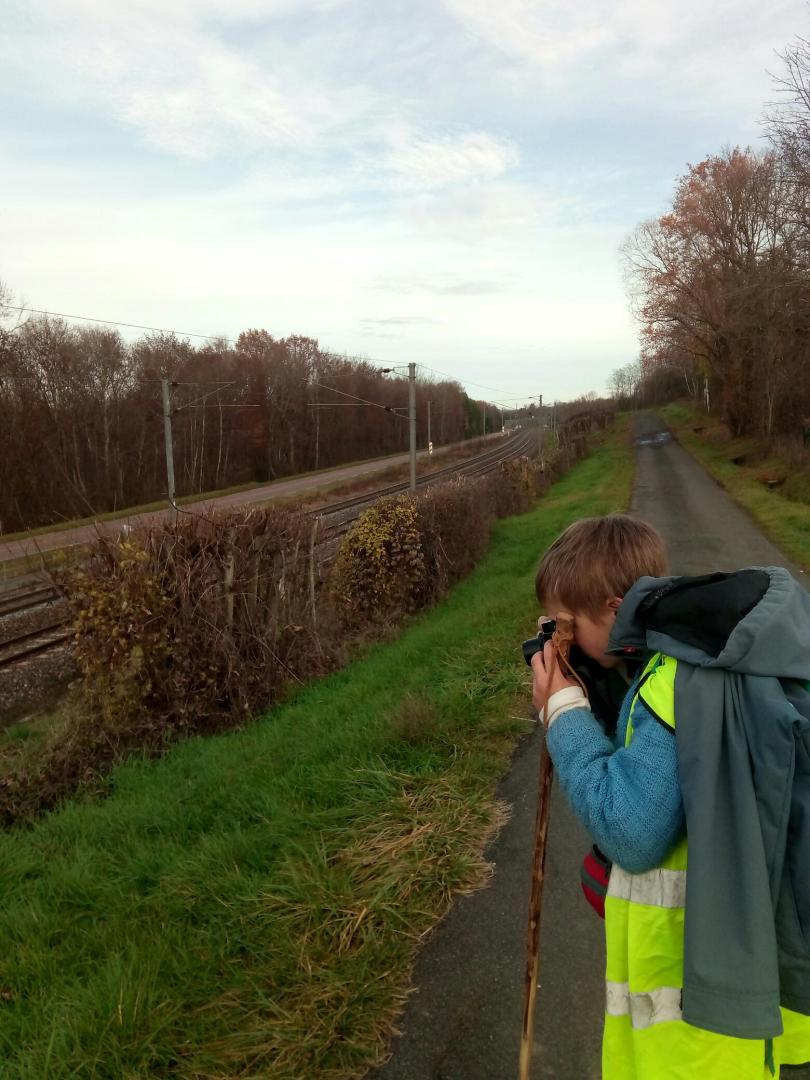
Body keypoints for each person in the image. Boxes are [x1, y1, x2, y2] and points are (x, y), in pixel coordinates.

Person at [530, 513, 810, 1080]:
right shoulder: (718, 647)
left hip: (705, 1024)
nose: (554, 635)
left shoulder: (674, 679)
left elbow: (632, 832)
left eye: (564, 623)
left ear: (613, 608)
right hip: (768, 978)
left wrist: (562, 712)